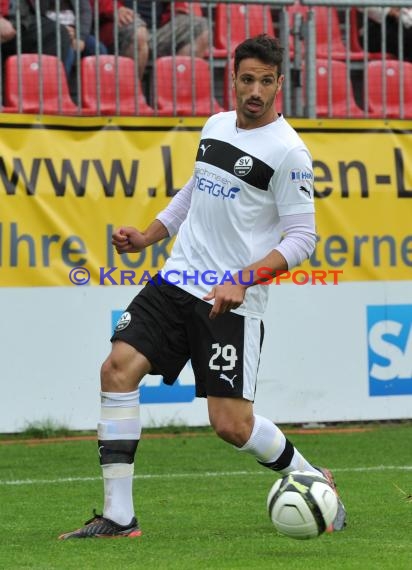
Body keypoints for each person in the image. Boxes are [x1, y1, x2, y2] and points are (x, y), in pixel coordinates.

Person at [58, 34, 346, 540]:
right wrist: (150, 235)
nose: (255, 90)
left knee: (231, 425)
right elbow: (195, 188)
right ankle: (119, 518)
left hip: (230, 301)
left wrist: (243, 277)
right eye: (246, 79)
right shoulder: (215, 126)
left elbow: (303, 238)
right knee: (117, 369)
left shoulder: (289, 153)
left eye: (266, 81)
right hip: (177, 278)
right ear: (231, 78)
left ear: (280, 84)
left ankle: (309, 476)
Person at [124, 1, 210, 59]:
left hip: (160, 30)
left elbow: (180, 6)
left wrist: (179, 7)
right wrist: (115, 9)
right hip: (126, 28)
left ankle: (178, 83)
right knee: (139, 33)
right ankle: (133, 85)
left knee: (200, 26)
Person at [44, 0, 107, 76]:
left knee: (99, 49)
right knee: (67, 51)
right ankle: (61, 86)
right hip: (51, 32)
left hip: (75, 31)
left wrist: (80, 36)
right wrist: (62, 31)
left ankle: (98, 86)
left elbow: (85, 11)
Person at [90, 0, 149, 80]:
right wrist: (115, 8)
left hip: (161, 29)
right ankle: (131, 89)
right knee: (139, 35)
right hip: (118, 23)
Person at [0, 0, 71, 65]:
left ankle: (39, 78)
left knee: (56, 33)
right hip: (5, 18)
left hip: (21, 20)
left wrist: (80, 35)